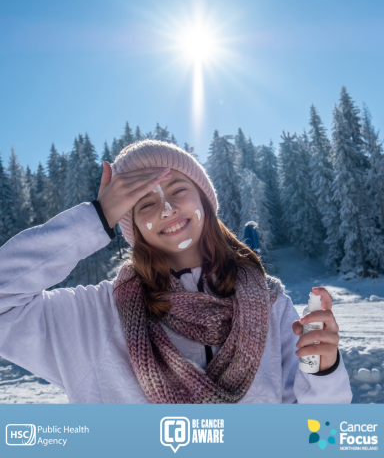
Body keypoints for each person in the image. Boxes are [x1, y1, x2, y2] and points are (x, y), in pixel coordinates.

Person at [0, 140, 352, 404]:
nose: (167, 208)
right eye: (146, 203)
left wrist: (323, 371)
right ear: (130, 225)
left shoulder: (271, 307)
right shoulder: (93, 316)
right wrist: (96, 217)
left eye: (178, 189)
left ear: (204, 200)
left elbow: (314, 432)